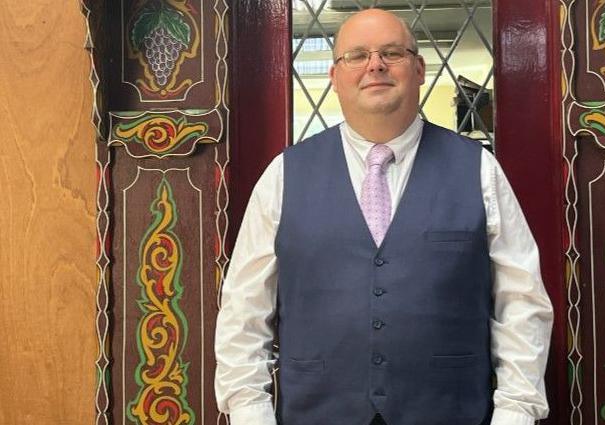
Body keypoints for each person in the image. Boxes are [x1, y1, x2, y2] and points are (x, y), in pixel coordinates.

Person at [215, 8, 553, 425]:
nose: (374, 65)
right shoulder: (283, 175)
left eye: (391, 52)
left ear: (419, 68)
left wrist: (515, 414)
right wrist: (251, 413)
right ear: (335, 77)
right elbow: (243, 310)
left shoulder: (479, 170)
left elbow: (521, 302)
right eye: (356, 56)